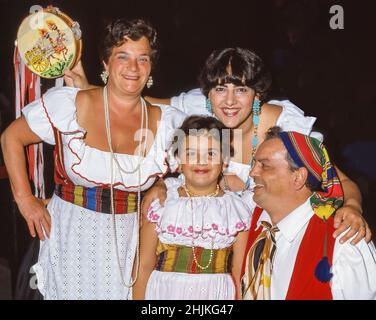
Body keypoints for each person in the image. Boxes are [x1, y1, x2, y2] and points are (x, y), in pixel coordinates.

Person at [1, 18, 186, 300]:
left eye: (142, 59)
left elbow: (202, 174)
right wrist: (25, 199)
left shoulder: (169, 123)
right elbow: (11, 138)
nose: (133, 68)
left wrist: (162, 185)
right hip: (68, 237)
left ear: (150, 67)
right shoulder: (70, 104)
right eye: (122, 57)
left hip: (129, 244)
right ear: (105, 63)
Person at [139, 48, 371, 244]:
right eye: (220, 89)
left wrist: (352, 208)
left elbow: (343, 182)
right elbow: (135, 102)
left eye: (241, 89)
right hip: (215, 242)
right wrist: (158, 182)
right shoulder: (197, 110)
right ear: (208, 95)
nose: (229, 101)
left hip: (273, 240)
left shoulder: (286, 128)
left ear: (257, 95)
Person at [242, 127, 376, 300]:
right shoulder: (248, 220)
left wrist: (353, 205)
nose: (252, 172)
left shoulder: (343, 240)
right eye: (254, 164)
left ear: (298, 177)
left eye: (265, 166)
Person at [133, 116, 251, 300]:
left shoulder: (237, 211)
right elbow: (144, 264)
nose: (201, 162)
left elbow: (238, 272)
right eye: (191, 154)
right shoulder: (162, 204)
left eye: (211, 154)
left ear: (225, 161)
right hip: (164, 294)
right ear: (179, 161)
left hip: (218, 295)